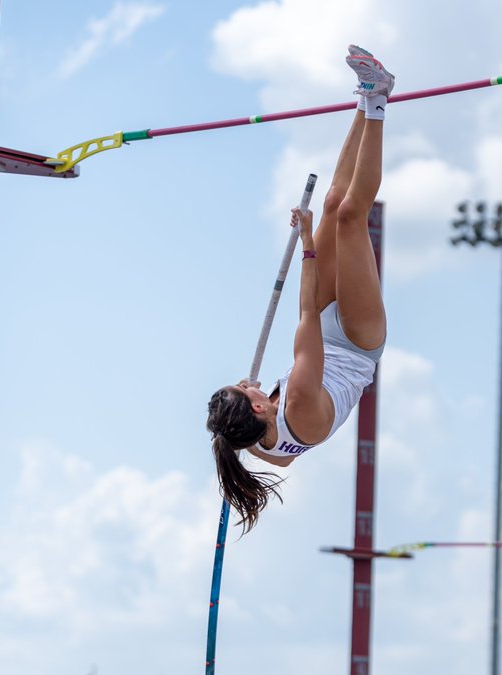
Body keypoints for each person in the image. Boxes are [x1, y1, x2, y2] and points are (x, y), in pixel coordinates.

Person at [206, 46, 394, 532]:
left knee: (332, 201)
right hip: (355, 342)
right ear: (259, 405)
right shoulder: (299, 403)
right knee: (350, 218)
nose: (248, 381)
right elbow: (307, 311)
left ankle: (361, 100)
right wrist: (308, 242)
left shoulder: (258, 440)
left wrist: (229, 440)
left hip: (325, 338)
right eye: (245, 388)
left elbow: (269, 454)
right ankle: (379, 101)